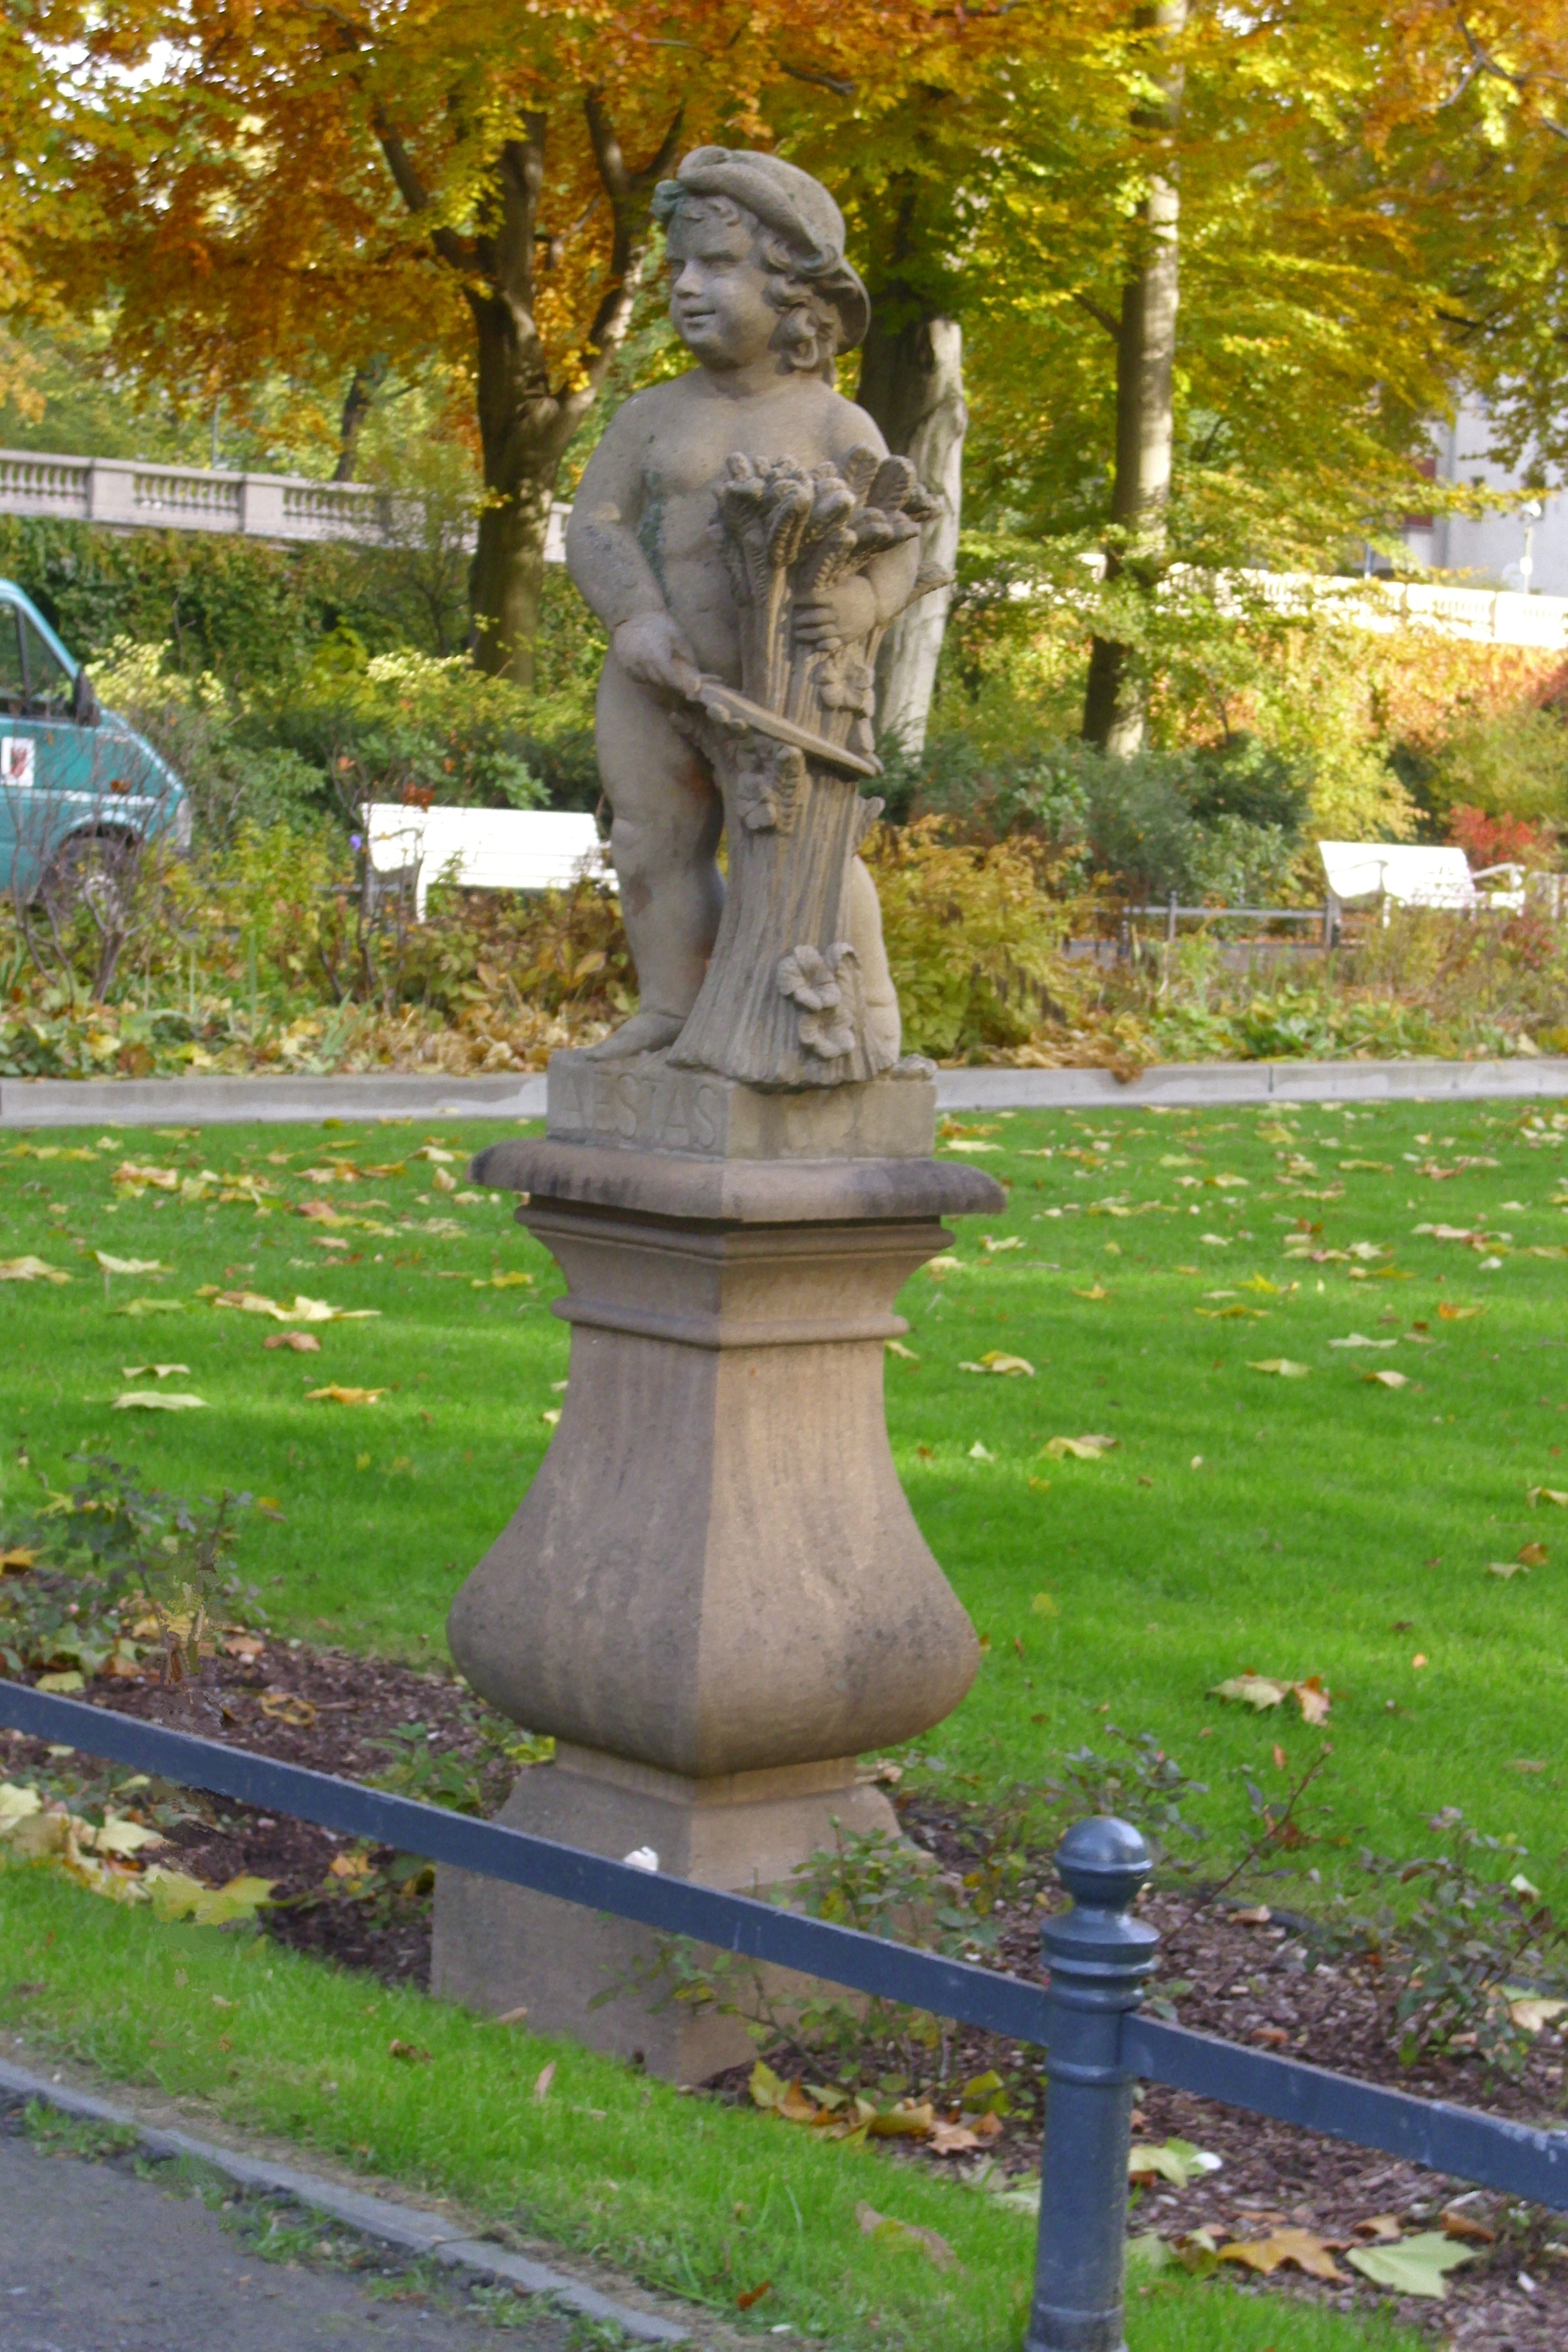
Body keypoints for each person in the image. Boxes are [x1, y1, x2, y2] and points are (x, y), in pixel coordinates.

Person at [565, 146, 914, 1061]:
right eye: (678, 266)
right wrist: (635, 618)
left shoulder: (837, 426)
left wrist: (862, 609)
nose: (687, 287)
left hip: (791, 686)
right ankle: (677, 1007)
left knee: (810, 857)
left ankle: (867, 1022)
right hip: (656, 673)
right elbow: (596, 524)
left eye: (718, 266)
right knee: (650, 842)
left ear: (795, 293)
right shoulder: (650, 416)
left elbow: (904, 543)